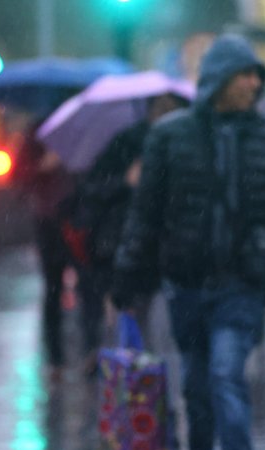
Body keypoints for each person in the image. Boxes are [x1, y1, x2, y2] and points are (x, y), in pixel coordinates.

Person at [112, 34, 265, 450]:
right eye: (245, 74)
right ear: (219, 81)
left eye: (256, 76)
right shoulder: (170, 136)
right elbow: (145, 214)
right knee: (197, 387)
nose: (254, 84)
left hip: (241, 283)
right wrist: (127, 276)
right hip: (186, 284)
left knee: (227, 373)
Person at [73, 91, 192, 347]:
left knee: (164, 335)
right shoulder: (126, 143)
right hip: (128, 247)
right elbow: (93, 189)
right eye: (161, 107)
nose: (166, 114)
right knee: (132, 330)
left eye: (172, 108)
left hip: (171, 253)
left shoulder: (187, 146)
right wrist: (125, 182)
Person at [11, 119, 78, 382]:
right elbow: (18, 177)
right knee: (53, 289)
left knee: (91, 287)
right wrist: (42, 166)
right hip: (49, 223)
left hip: (79, 221)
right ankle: (56, 359)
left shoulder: (78, 130)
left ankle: (92, 350)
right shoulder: (35, 134)